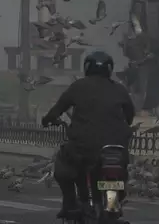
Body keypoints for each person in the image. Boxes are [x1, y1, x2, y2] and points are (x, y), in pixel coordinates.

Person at [41, 50, 135, 219]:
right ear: (109, 69)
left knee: (63, 164)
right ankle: (113, 204)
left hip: (83, 147)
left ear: (87, 68)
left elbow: (57, 110)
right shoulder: (119, 89)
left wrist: (48, 120)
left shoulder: (78, 86)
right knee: (118, 171)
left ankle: (70, 203)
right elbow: (130, 115)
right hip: (115, 149)